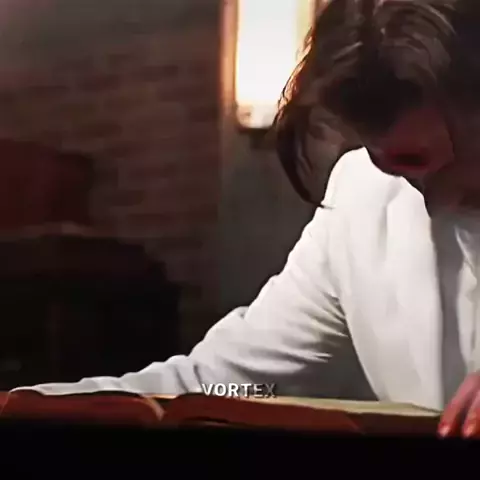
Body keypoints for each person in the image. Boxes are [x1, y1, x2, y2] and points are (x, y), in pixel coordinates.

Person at [13, 0, 480, 438]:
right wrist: (28, 406)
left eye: (417, 159)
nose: (410, 184)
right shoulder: (366, 197)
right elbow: (224, 383)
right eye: (387, 158)